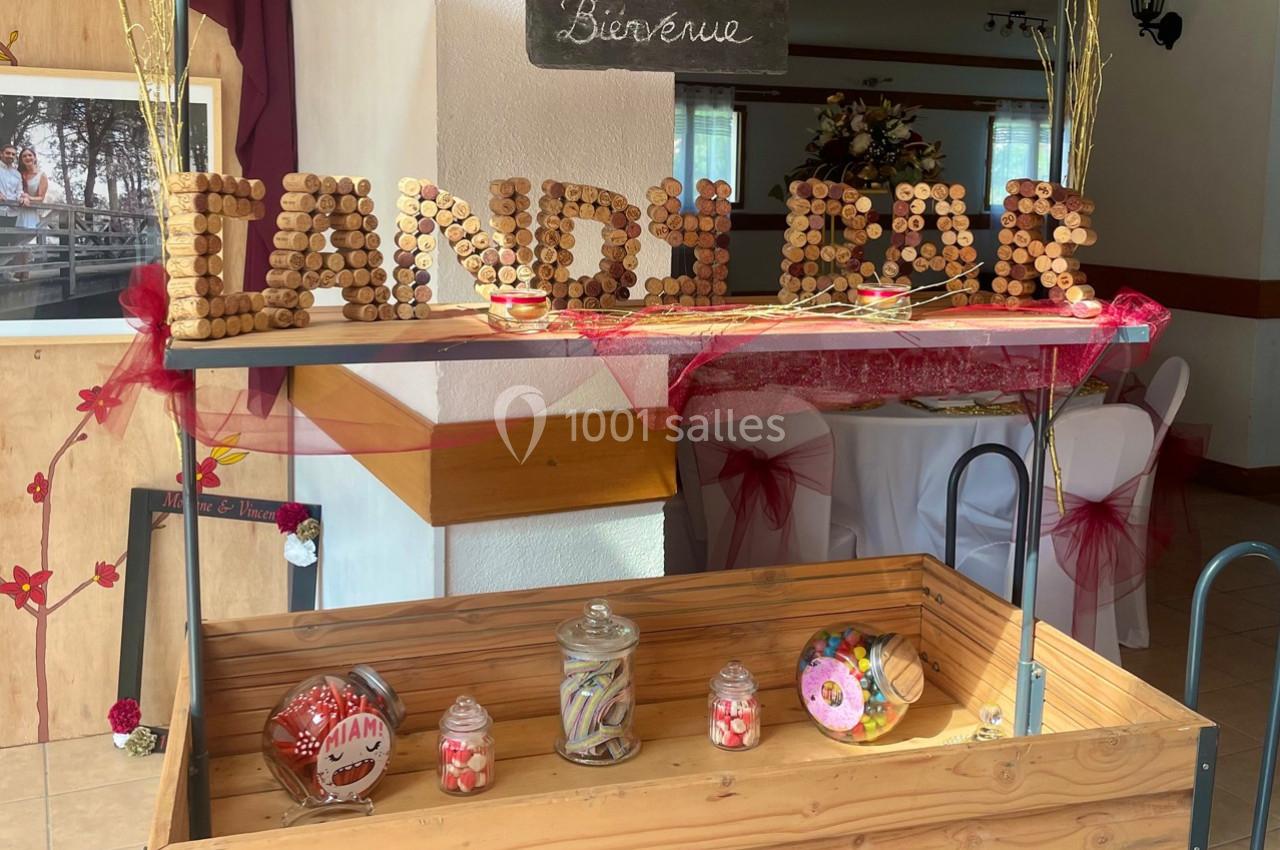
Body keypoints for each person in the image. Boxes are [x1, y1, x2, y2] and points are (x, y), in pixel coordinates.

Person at [14, 147, 48, 279]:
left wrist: (28, 197)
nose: (27, 158)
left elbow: (41, 197)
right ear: (21, 160)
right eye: (24, 156)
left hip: (31, 211)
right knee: (17, 242)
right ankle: (18, 270)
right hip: (18, 211)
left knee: (27, 243)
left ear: (34, 157)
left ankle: (26, 271)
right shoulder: (19, 174)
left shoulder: (41, 176)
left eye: (29, 155)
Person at [0, 144, 20, 281]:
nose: (11, 156)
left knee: (8, 243)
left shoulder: (16, 173)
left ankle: (4, 274)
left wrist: (22, 197)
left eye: (13, 154)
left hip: (12, 212)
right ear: (1, 153)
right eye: (8, 153)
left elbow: (19, 191)